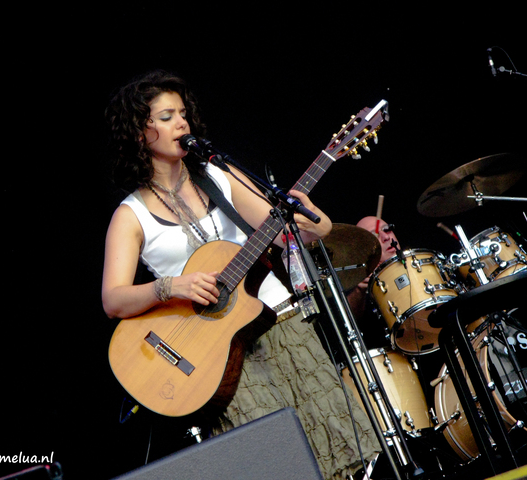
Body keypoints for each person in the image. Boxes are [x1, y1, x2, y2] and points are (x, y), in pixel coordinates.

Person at [101, 70, 380, 479]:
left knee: (335, 449)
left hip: (279, 322)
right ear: (139, 133)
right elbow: (114, 299)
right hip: (210, 356)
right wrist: (171, 285)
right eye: (165, 117)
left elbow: (282, 233)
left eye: (182, 113)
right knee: (278, 466)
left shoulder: (218, 177)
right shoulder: (131, 215)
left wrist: (315, 225)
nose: (181, 123)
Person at [345, 216, 400, 349]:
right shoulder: (360, 288)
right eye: (374, 235)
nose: (385, 237)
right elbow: (347, 325)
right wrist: (359, 290)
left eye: (387, 230)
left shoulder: (421, 262)